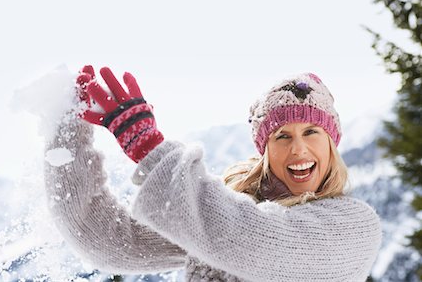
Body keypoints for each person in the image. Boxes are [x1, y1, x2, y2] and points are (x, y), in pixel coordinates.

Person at [44, 65, 382, 282]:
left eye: (312, 132)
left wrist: (152, 150)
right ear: (264, 151)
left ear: (331, 144)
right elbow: (107, 241)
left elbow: (256, 243)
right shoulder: (218, 213)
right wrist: (68, 129)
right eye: (282, 136)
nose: (298, 150)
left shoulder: (354, 226)